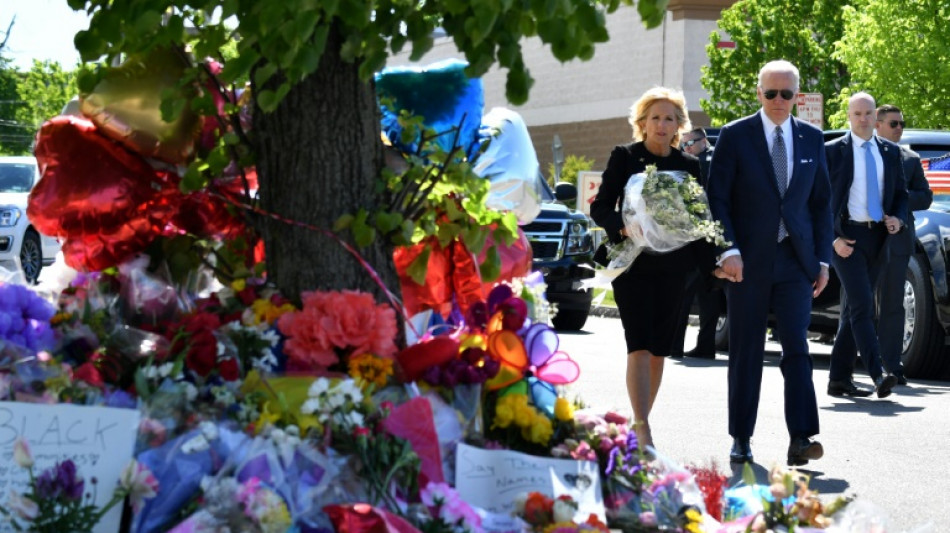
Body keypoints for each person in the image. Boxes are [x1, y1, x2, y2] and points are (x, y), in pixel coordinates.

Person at [706, 60, 832, 467]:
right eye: (771, 93)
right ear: (758, 93)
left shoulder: (812, 139)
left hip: (796, 262)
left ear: (797, 95)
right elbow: (717, 199)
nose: (779, 101)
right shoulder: (735, 135)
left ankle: (802, 437)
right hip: (747, 262)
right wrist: (728, 251)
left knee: (797, 346)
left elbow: (821, 204)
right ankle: (741, 437)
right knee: (746, 350)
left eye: (787, 93)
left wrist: (823, 260)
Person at [589, 87, 717, 449]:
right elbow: (600, 208)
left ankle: (641, 420)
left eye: (669, 118)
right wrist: (624, 225)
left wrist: (715, 267)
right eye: (655, 118)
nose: (662, 125)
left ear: (679, 125)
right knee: (640, 346)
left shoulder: (689, 166)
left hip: (674, 268)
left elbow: (700, 221)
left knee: (660, 350)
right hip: (633, 265)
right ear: (642, 122)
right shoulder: (625, 157)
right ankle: (642, 427)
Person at [826, 92, 907, 400]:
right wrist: (833, 240)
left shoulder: (889, 151)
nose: (862, 118)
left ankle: (838, 379)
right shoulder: (832, 151)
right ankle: (878, 374)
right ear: (849, 116)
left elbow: (900, 193)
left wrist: (897, 219)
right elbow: (817, 202)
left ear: (876, 117)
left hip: (878, 238)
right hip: (845, 239)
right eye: (857, 113)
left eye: (868, 113)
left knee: (853, 312)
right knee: (863, 305)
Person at [874, 105, 932, 383]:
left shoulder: (910, 158)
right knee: (856, 304)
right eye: (894, 123)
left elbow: (925, 197)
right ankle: (848, 363)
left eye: (901, 123)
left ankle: (892, 365)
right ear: (878, 124)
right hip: (863, 241)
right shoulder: (861, 155)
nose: (899, 128)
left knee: (894, 304)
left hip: (897, 241)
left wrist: (897, 201)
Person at [671, 127, 721, 359]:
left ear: (704, 141)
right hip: (716, 238)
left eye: (689, 144)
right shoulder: (719, 160)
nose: (685, 149)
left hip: (696, 238)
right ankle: (706, 345)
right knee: (709, 296)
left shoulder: (700, 164)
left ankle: (674, 345)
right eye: (683, 146)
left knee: (682, 293)